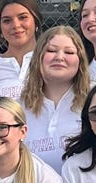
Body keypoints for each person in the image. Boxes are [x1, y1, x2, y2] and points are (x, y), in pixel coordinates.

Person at [19, 25, 90, 171]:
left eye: (69, 52)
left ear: (80, 59)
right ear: (38, 57)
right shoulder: (20, 105)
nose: (59, 57)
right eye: (51, 51)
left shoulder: (95, 100)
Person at [0, 0, 41, 100]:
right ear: (0, 29)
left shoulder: (50, 61)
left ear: (36, 22)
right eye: (7, 21)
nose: (15, 25)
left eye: (23, 17)